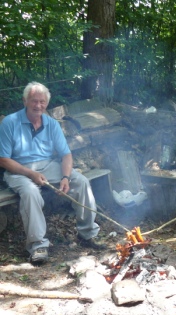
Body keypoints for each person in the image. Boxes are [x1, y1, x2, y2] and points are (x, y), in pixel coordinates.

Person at [0, 82, 105, 264]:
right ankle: (37, 246)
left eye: (42, 102)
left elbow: (65, 154)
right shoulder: (10, 122)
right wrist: (30, 174)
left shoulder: (51, 124)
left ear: (47, 103)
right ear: (25, 101)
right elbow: (3, 159)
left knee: (81, 182)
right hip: (17, 169)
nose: (38, 106)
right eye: (34, 101)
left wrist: (65, 177)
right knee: (30, 192)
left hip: (48, 165)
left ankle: (88, 233)